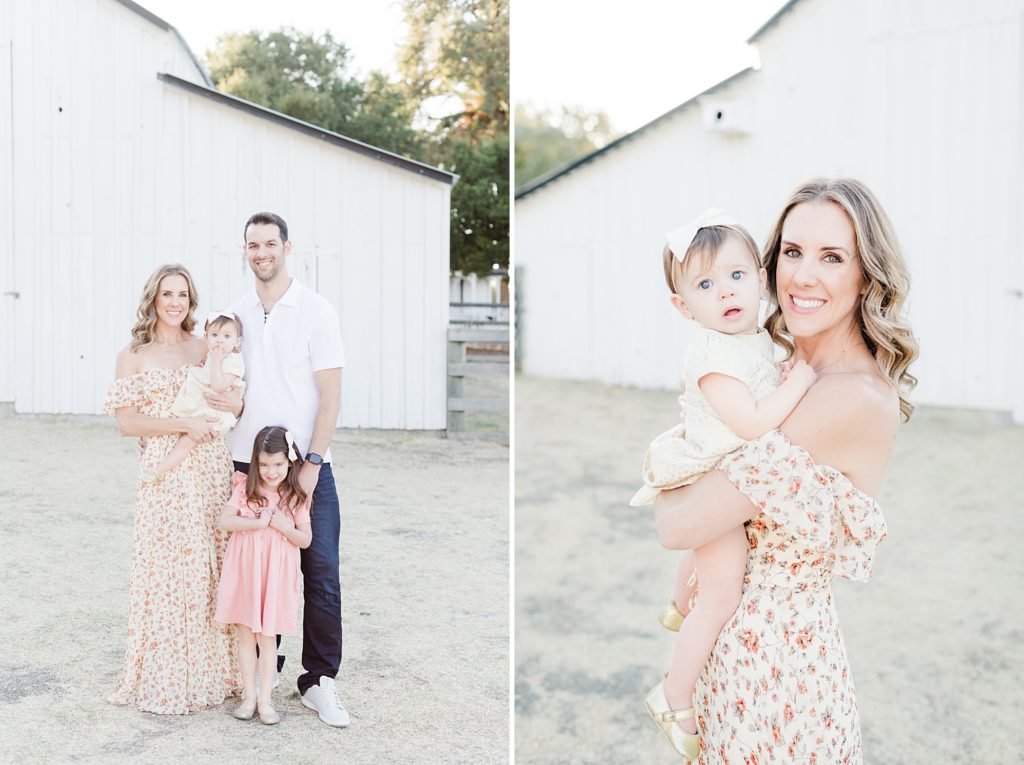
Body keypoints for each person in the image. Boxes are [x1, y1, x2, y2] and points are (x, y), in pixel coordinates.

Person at [649, 178, 918, 763]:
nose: (801, 276)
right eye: (792, 252)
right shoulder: (783, 371)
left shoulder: (844, 396)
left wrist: (671, 466)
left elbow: (676, 527)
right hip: (737, 657)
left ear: (866, 275)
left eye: (832, 257)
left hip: (777, 678)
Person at [630, 209, 817, 759]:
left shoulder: (752, 335)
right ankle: (674, 694)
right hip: (710, 473)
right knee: (721, 595)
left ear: (761, 279)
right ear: (684, 307)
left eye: (736, 276)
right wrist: (802, 375)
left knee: (711, 571)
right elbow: (753, 423)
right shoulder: (712, 350)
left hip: (725, 467)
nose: (725, 292)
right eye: (705, 285)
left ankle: (673, 603)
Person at [205, 211, 349, 727]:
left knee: (321, 571)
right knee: (258, 573)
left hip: (304, 465)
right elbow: (224, 388)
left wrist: (310, 462)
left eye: (270, 243)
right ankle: (264, 677)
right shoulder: (233, 315)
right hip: (246, 464)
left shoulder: (315, 310)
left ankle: (318, 682)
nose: (261, 252)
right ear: (244, 251)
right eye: (253, 245)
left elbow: (330, 397)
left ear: (288, 247)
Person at [105, 263, 239, 714]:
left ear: (190, 300)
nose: (175, 302)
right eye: (168, 294)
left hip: (209, 466)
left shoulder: (204, 347)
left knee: (208, 568)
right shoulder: (133, 353)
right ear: (154, 298)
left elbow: (229, 394)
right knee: (169, 572)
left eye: (183, 294)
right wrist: (181, 423)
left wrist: (234, 401)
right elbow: (127, 423)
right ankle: (166, 675)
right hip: (164, 469)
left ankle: (214, 672)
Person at [216, 426, 313, 726]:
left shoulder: (295, 497)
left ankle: (266, 700)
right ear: (255, 463)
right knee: (246, 634)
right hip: (247, 571)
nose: (271, 472)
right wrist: (257, 523)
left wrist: (283, 526)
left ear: (290, 463)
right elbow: (224, 520)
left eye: (278, 464)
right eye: (264, 464)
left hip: (274, 575)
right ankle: (248, 696)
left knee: (267, 636)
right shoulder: (245, 489)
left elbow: (305, 540)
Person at [142, 311, 246, 483]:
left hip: (216, 413)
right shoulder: (215, 355)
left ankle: (159, 471)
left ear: (238, 341)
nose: (220, 340)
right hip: (204, 404)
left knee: (187, 441)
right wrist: (207, 365)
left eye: (227, 336)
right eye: (214, 335)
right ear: (206, 337)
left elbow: (219, 386)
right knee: (174, 427)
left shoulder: (233, 361)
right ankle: (152, 450)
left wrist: (216, 363)